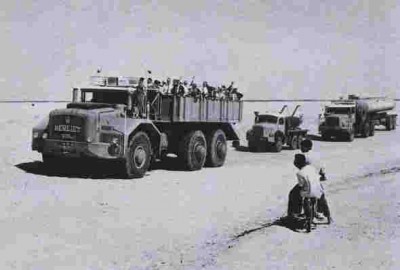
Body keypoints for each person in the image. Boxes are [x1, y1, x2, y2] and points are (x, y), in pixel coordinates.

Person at [300, 139, 332, 224]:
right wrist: (322, 175)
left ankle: (293, 213)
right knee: (321, 196)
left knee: (294, 193)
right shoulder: (317, 156)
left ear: (306, 147)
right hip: (316, 181)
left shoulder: (304, 156)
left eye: (301, 146)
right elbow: (322, 170)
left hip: (307, 181)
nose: (300, 148)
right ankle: (328, 216)